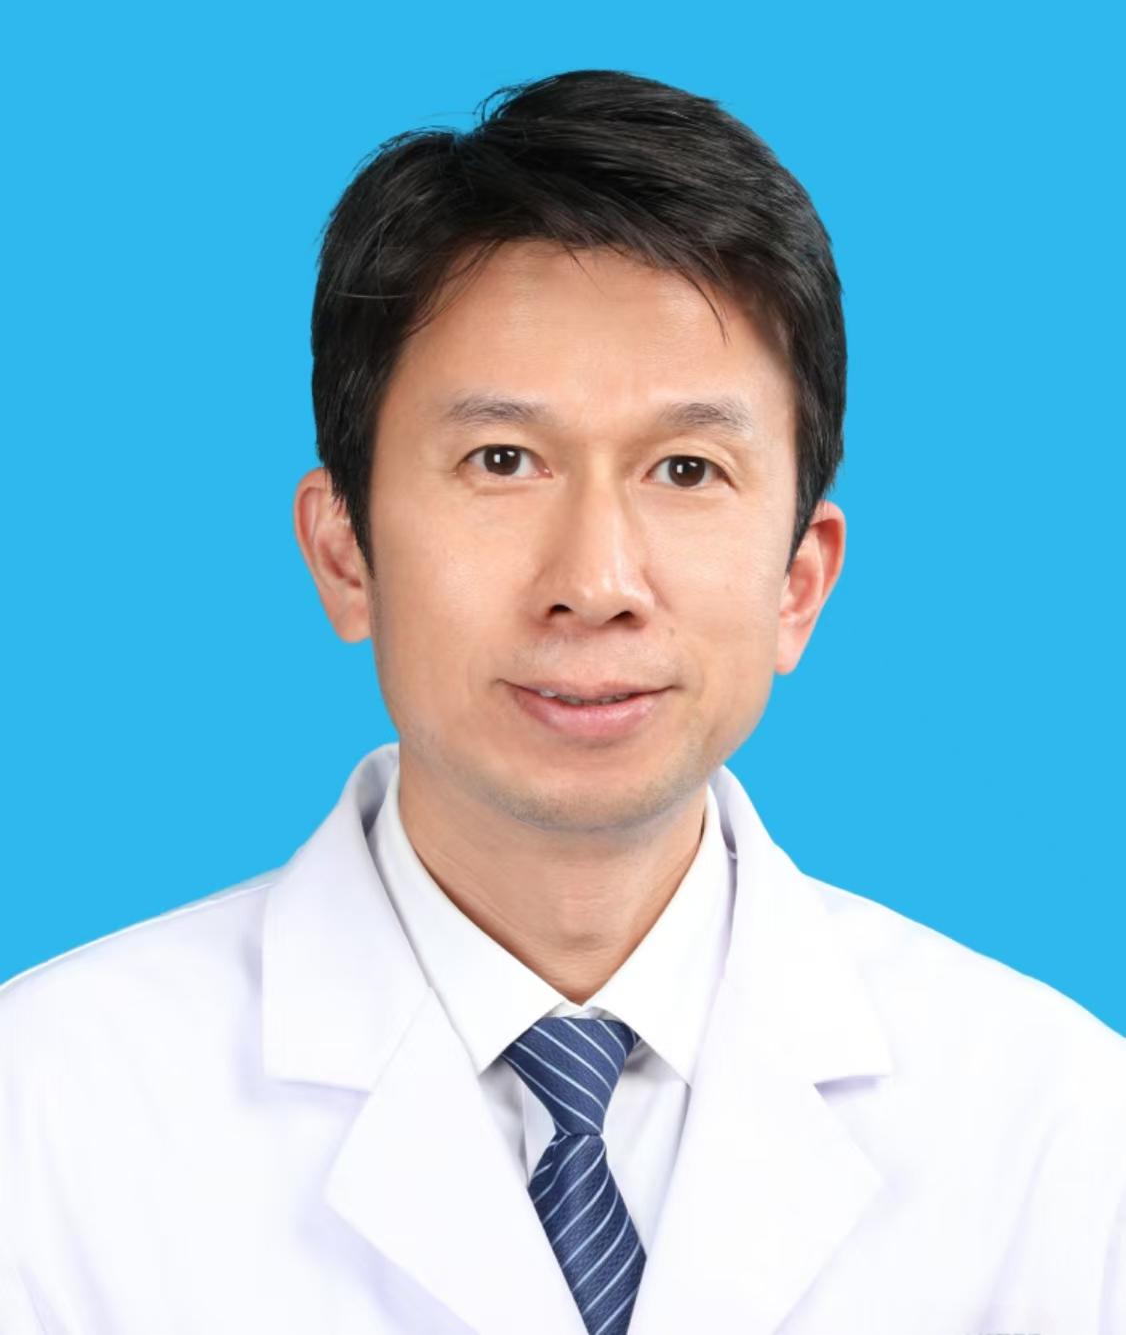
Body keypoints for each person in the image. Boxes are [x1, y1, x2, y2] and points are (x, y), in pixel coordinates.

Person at [1, 69, 1123, 1335]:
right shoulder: (43, 1119)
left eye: (686, 468)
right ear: (344, 550)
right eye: (502, 460)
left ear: (799, 581)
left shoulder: (1058, 1131)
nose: (594, 583)